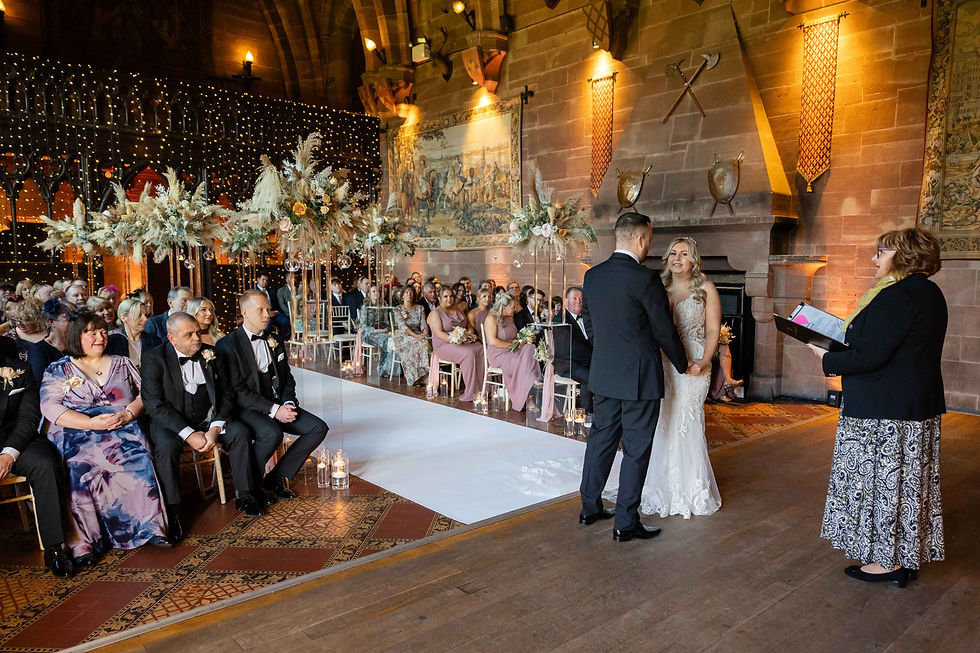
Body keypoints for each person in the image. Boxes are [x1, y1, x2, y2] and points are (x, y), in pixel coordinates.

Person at [807, 227, 947, 588]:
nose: (875, 258)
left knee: (881, 486)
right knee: (905, 484)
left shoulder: (897, 295)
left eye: (881, 252)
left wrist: (827, 357)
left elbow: (872, 354)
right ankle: (902, 556)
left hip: (885, 410)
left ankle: (889, 564)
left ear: (903, 254)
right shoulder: (929, 292)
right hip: (912, 405)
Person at [579, 212, 689, 542]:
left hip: (604, 374)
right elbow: (663, 330)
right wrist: (684, 365)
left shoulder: (593, 276)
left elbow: (590, 324)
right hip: (639, 378)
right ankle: (625, 522)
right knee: (636, 448)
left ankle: (589, 507)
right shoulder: (645, 279)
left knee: (601, 439)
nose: (649, 246)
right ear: (641, 239)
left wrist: (607, 354)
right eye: (650, 240)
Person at [39, 310, 169, 561]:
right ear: (78, 336)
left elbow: (146, 394)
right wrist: (90, 423)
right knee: (80, 466)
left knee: (137, 455)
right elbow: (50, 407)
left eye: (102, 332)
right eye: (91, 332)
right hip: (80, 433)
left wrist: (128, 414)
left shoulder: (122, 363)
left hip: (121, 427)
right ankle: (86, 542)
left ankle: (148, 528)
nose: (100, 337)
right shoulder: (60, 369)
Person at [142, 313, 265, 533]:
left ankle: (245, 494)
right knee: (166, 447)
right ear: (172, 338)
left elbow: (227, 396)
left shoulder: (213, 354)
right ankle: (172, 511)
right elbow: (154, 404)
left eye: (197, 332)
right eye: (188, 335)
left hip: (208, 419)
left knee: (240, 432)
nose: (196, 339)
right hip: (171, 423)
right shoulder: (154, 358)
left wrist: (215, 429)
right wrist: (188, 434)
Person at [216, 290, 328, 499]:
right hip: (246, 408)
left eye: (268, 310)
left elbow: (287, 377)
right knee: (271, 433)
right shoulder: (227, 345)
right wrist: (274, 410)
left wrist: (287, 402)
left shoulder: (274, 339)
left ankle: (276, 476)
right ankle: (249, 489)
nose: (267, 315)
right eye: (261, 310)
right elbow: (238, 391)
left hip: (277, 403)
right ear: (244, 312)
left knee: (317, 428)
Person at [640, 237, 722, 518]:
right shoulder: (658, 288)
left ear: (694, 260)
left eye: (684, 254)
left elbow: (713, 331)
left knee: (686, 421)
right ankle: (660, 487)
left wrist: (705, 360)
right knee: (664, 420)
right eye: (673, 253)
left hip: (694, 364)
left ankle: (690, 489)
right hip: (662, 364)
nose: (677, 258)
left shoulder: (706, 289)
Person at [0, 338, 75, 577]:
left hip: (17, 439)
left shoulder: (19, 369)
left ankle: (54, 547)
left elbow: (29, 417)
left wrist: (9, 453)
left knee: (45, 464)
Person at [483, 292, 542, 411]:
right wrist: (513, 344)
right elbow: (493, 341)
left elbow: (514, 336)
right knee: (523, 363)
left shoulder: (510, 318)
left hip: (514, 350)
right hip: (498, 354)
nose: (515, 309)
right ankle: (529, 396)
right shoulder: (491, 318)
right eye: (512, 307)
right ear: (504, 307)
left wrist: (522, 341)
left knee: (530, 348)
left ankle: (530, 384)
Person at [427, 286, 485, 402]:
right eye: (445, 297)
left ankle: (484, 388)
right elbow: (439, 334)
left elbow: (468, 325)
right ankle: (472, 391)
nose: (449, 299)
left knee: (481, 348)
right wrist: (457, 339)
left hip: (462, 342)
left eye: (451, 296)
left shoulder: (457, 310)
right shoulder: (435, 313)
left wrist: (470, 334)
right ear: (439, 298)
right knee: (469, 353)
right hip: (444, 345)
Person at [552, 286, 593, 416]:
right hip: (567, 363)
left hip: (586, 360)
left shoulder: (588, 317)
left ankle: (604, 413)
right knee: (591, 377)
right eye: (574, 298)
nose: (578, 302)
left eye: (581, 299)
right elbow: (570, 347)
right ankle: (586, 415)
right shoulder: (560, 319)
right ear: (566, 302)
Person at [392, 285, 430, 386]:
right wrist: (416, 336)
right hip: (403, 336)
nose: (409, 294)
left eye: (411, 292)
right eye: (407, 292)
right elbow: (402, 326)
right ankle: (414, 377)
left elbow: (423, 323)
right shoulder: (397, 309)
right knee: (417, 343)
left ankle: (423, 376)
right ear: (402, 295)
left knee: (425, 343)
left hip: (418, 334)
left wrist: (425, 332)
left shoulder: (419, 308)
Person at [28, 298, 72, 383]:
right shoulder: (38, 350)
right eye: (67, 317)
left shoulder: (77, 345)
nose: (73, 321)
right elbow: (40, 383)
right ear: (51, 322)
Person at [358, 285, 393, 376]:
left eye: (377, 291)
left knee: (392, 340)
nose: (376, 293)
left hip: (382, 332)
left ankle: (391, 368)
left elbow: (386, 321)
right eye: (373, 291)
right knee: (386, 341)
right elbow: (363, 326)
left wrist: (386, 329)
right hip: (368, 334)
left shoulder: (383, 305)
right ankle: (383, 369)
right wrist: (378, 331)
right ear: (369, 294)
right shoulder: (365, 307)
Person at [111, 297, 151, 368]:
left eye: (145, 315)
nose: (145, 319)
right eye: (139, 315)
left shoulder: (154, 341)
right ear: (123, 318)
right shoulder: (113, 342)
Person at [5, 295, 46, 361]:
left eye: (25, 320)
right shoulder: (9, 337)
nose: (19, 323)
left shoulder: (50, 333)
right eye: (16, 320)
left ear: (37, 319)